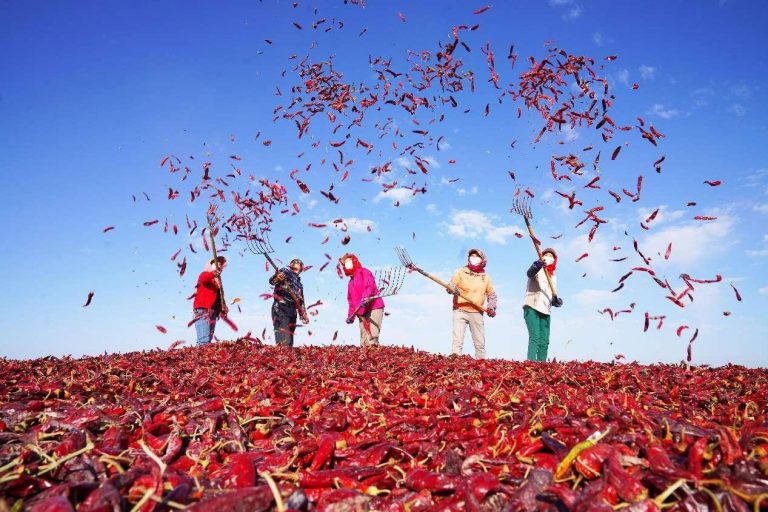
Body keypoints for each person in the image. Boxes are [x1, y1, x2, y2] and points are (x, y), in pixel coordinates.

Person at [447, 248, 497, 358]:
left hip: (476, 312)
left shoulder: (485, 277)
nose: (474, 258)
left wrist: (491, 307)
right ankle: (455, 357)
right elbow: (451, 285)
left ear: (482, 259)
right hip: (460, 310)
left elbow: (491, 294)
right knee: (457, 339)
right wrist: (452, 289)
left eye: (477, 256)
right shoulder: (461, 272)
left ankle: (481, 361)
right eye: (472, 256)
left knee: (479, 341)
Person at [523, 247, 564, 361]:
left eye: (551, 256)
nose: (548, 258)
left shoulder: (553, 276)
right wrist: (537, 265)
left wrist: (555, 301)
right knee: (535, 336)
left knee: (544, 340)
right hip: (532, 306)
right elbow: (530, 273)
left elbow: (550, 293)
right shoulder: (538, 269)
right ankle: (530, 363)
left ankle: (542, 364)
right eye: (546, 255)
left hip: (546, 310)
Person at [340, 253, 385, 347]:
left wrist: (365, 297)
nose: (348, 266)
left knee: (372, 337)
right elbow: (351, 302)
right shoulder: (350, 283)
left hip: (374, 307)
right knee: (364, 342)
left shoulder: (364, 272)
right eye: (346, 264)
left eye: (349, 262)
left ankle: (375, 354)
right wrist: (350, 316)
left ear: (354, 261)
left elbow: (369, 286)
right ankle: (367, 355)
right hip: (361, 311)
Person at [269, 258, 309, 347]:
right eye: (294, 267)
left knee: (289, 342)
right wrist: (277, 278)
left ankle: (284, 353)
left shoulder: (299, 284)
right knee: (284, 340)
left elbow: (301, 301)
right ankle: (281, 353)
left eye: (298, 268)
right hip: (281, 308)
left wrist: (303, 314)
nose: (296, 270)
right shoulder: (285, 272)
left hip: (292, 312)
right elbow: (272, 281)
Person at [192, 256, 228, 345]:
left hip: (212, 312)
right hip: (203, 310)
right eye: (216, 264)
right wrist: (214, 273)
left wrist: (223, 308)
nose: (218, 266)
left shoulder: (217, 282)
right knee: (203, 339)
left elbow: (219, 298)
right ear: (210, 265)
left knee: (208, 338)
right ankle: (201, 352)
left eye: (220, 265)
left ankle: (203, 352)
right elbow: (203, 279)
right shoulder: (205, 274)